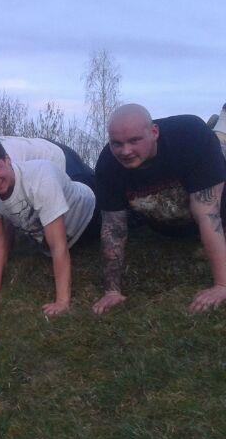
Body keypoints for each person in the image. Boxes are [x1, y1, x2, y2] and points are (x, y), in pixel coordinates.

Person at [93, 103, 226, 314]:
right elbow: (113, 230)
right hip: (170, 220)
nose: (125, 151)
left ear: (154, 132)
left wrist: (222, 285)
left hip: (214, 197)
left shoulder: (189, 137)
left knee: (220, 146)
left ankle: (220, 128)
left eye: (134, 140)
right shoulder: (108, 166)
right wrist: (112, 291)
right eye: (116, 143)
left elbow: (208, 215)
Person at [0, 136, 98, 318]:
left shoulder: (41, 176)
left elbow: (58, 245)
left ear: (7, 160)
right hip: (52, 235)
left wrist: (62, 301)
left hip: (89, 218)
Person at [0, 136, 94, 194]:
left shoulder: (5, 157)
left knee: (94, 194)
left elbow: (13, 201)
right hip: (37, 165)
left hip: (57, 157)